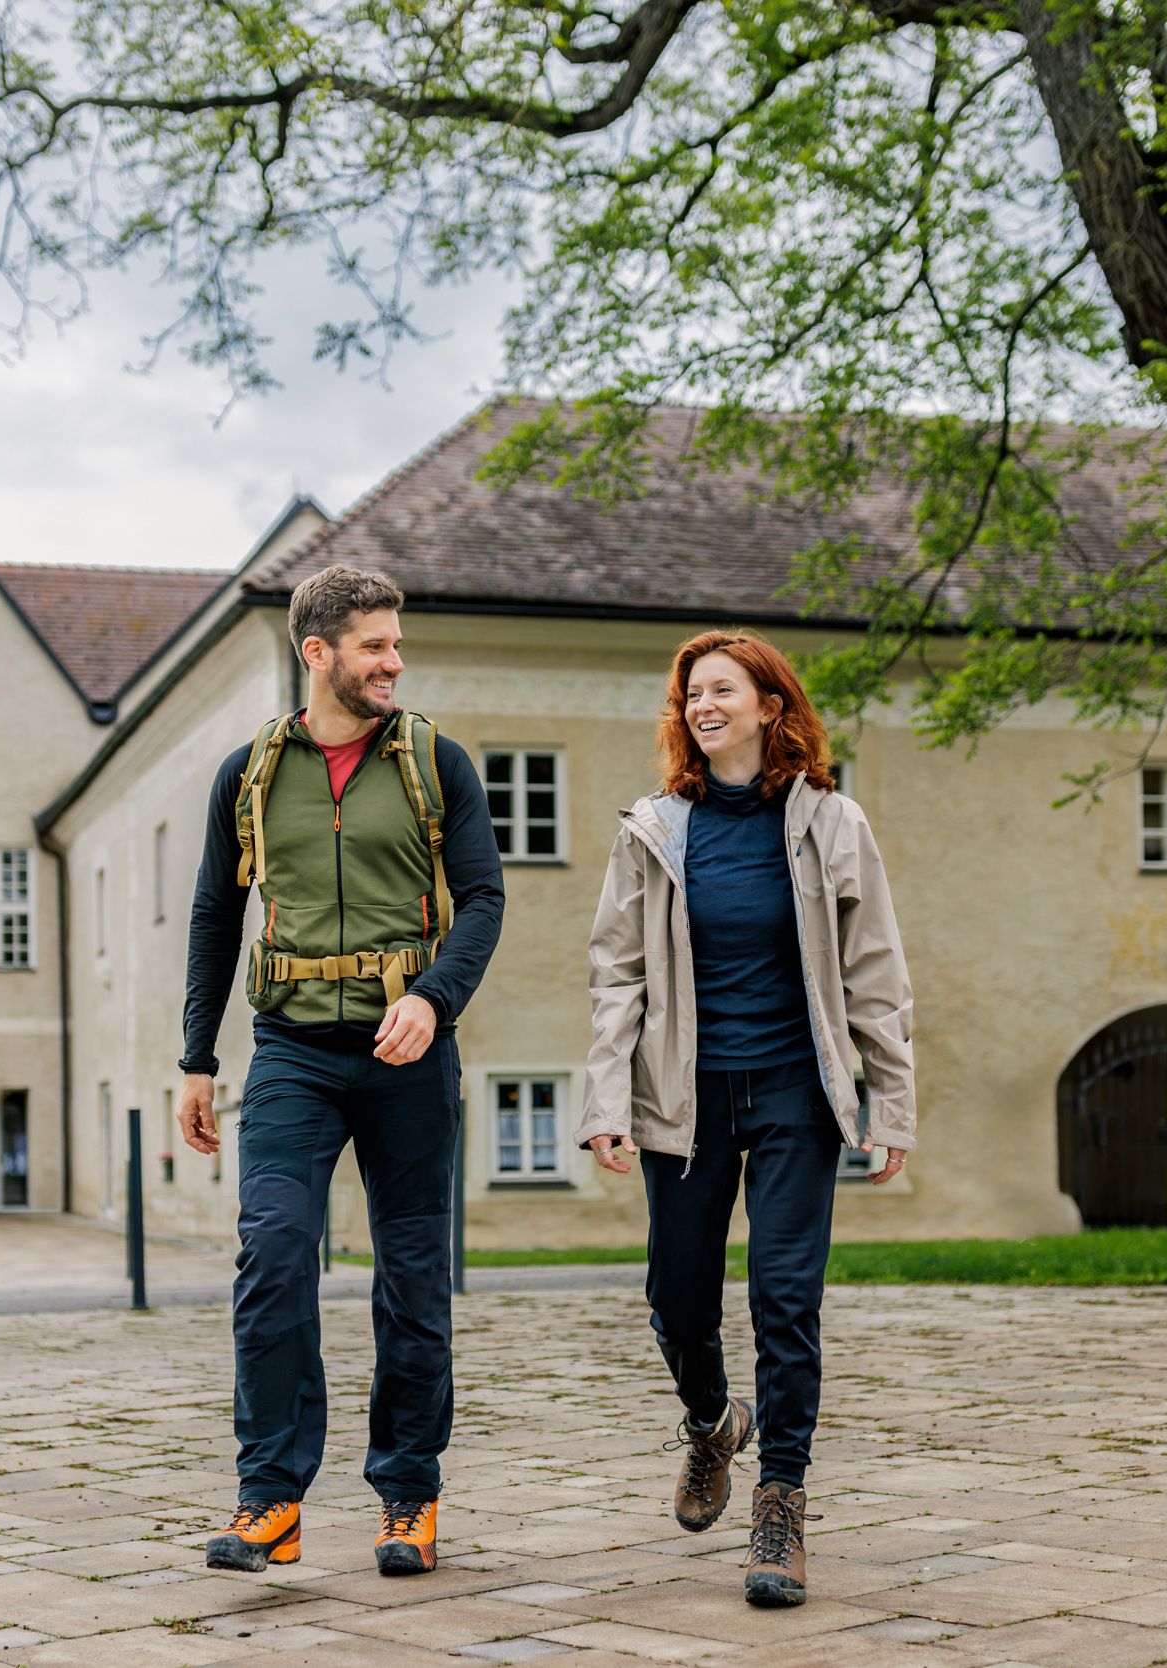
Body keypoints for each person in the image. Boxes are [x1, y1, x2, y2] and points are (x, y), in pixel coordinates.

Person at [575, 630, 915, 1609]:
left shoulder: (832, 822)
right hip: (683, 1097)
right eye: (690, 695)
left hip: (795, 1097)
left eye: (721, 690)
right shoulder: (653, 829)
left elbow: (875, 974)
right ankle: (711, 1425)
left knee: (784, 1298)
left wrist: (888, 1101)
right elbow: (616, 974)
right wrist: (607, 1098)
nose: (700, 706)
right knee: (677, 1296)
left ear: (773, 706)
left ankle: (780, 1504)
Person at [176, 564, 504, 1577]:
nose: (393, 662)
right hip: (291, 1053)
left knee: (411, 1281)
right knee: (272, 1256)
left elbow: (484, 899)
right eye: (374, 646)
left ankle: (409, 1497)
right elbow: (214, 916)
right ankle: (269, 1499)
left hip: (407, 1056)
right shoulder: (250, 773)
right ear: (316, 653)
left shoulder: (435, 763)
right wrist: (195, 1056)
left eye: (396, 645)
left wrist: (431, 998)